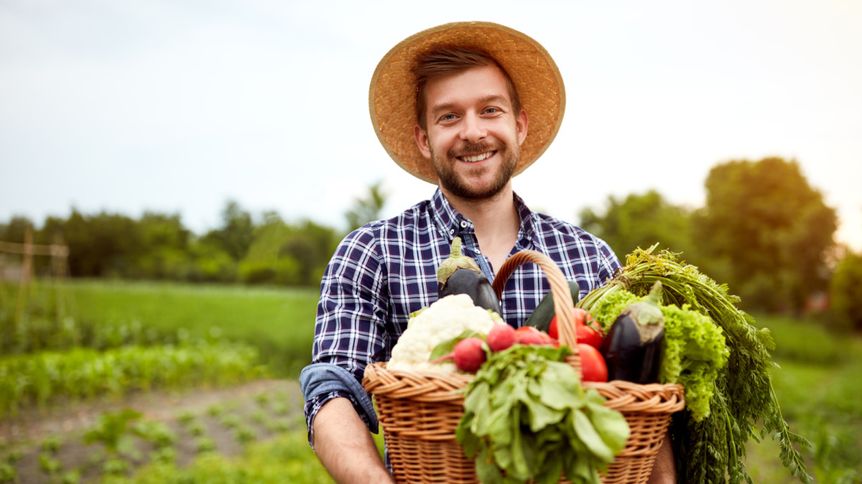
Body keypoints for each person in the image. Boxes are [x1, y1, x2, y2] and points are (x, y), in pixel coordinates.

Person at [300, 21, 674, 483]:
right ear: (424, 138)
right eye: (449, 116)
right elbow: (332, 391)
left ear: (518, 125)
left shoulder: (590, 256)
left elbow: (643, 401)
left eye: (490, 110)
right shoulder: (371, 252)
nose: (472, 132)